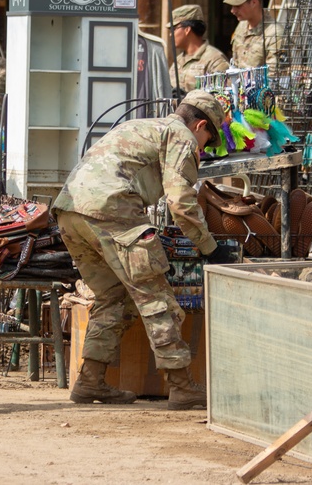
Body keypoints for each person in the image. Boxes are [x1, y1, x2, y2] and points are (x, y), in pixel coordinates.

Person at [53, 89, 238, 410]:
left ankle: (89, 381)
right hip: (113, 209)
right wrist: (210, 248)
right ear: (200, 126)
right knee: (155, 296)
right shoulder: (181, 136)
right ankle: (181, 386)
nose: (205, 148)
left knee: (114, 298)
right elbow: (180, 202)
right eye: (209, 140)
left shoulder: (142, 126)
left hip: (69, 212)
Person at [223, 0, 287, 77]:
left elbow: (274, 77)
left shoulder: (274, 34)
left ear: (254, 2)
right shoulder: (242, 26)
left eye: (238, 6)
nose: (233, 11)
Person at [168, 4, 229, 94]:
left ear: (187, 30)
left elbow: (223, 98)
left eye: (174, 29)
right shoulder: (178, 61)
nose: (170, 34)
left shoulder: (215, 60)